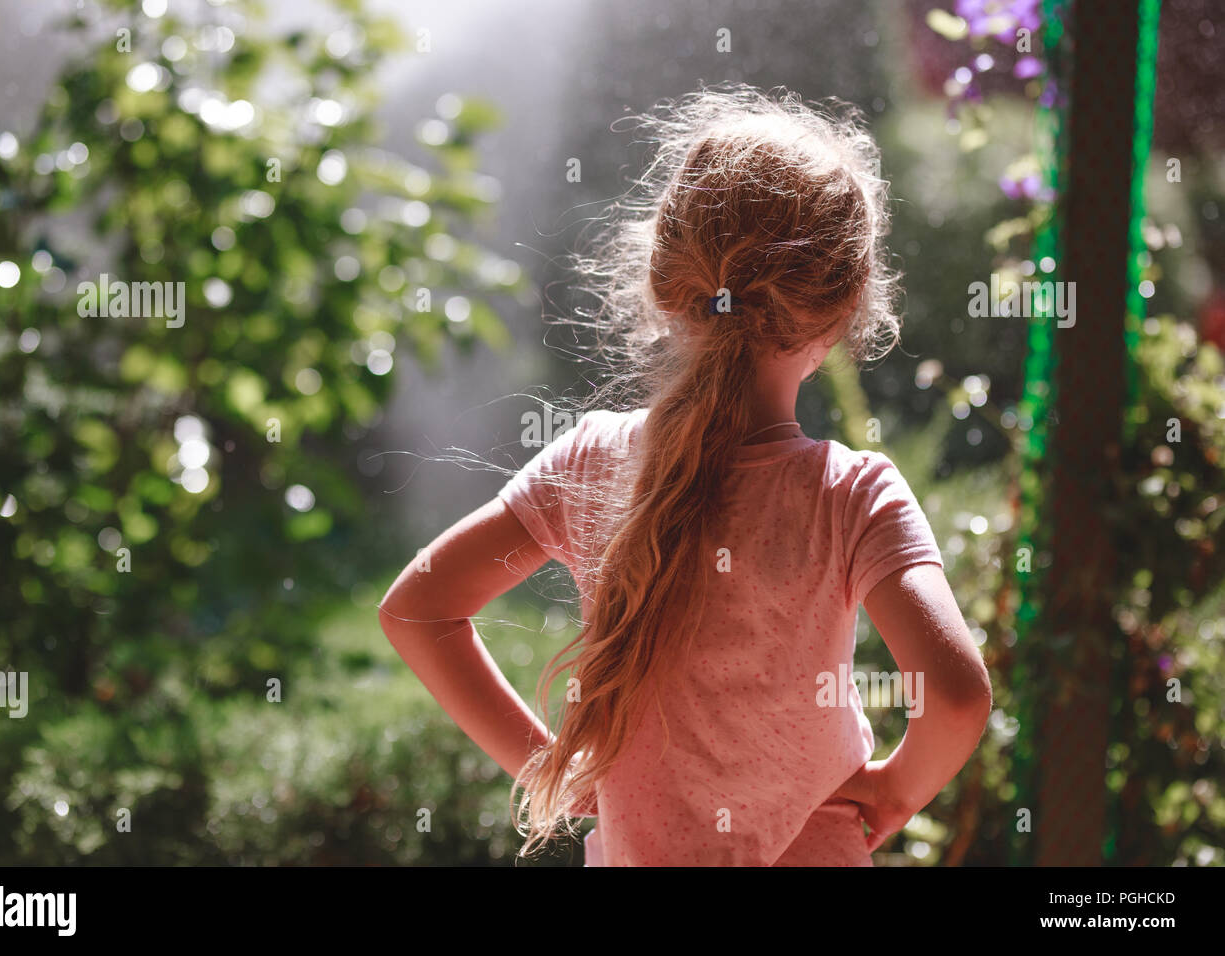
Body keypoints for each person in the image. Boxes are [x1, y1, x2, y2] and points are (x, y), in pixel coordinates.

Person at [378, 85, 992, 866]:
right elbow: (960, 695)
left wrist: (556, 773)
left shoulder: (591, 459)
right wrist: (898, 788)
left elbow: (418, 610)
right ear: (844, 310)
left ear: (668, 285)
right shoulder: (852, 495)